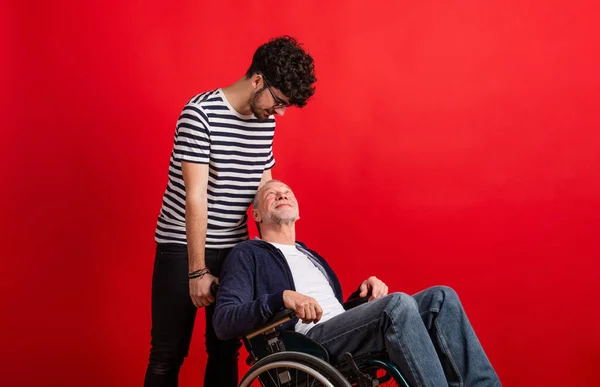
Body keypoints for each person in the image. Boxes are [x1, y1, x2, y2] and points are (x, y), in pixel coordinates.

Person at [144, 37, 317, 387]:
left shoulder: (264, 122)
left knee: (225, 349)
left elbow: (263, 189)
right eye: (279, 102)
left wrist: (272, 253)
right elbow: (196, 197)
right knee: (167, 353)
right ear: (257, 81)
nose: (280, 113)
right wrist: (197, 272)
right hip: (183, 247)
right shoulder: (200, 114)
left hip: (235, 249)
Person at [213, 180, 501, 386]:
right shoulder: (247, 254)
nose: (282, 194)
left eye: (287, 192)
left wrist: (363, 298)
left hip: (337, 331)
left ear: (298, 211)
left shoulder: (310, 256)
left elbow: (336, 311)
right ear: (257, 215)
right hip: (303, 343)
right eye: (271, 194)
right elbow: (224, 322)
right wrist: (282, 297)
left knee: (442, 297)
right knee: (397, 305)